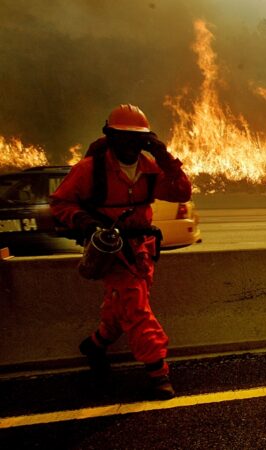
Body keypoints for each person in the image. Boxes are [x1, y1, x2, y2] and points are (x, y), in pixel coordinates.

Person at [50, 104, 192, 399]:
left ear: (147, 141)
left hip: (141, 251)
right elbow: (60, 203)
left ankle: (95, 344)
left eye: (138, 139)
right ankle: (157, 372)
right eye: (123, 138)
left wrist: (165, 158)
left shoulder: (149, 169)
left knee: (124, 307)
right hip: (111, 251)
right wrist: (85, 222)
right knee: (137, 309)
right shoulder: (89, 170)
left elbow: (181, 192)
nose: (130, 146)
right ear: (110, 137)